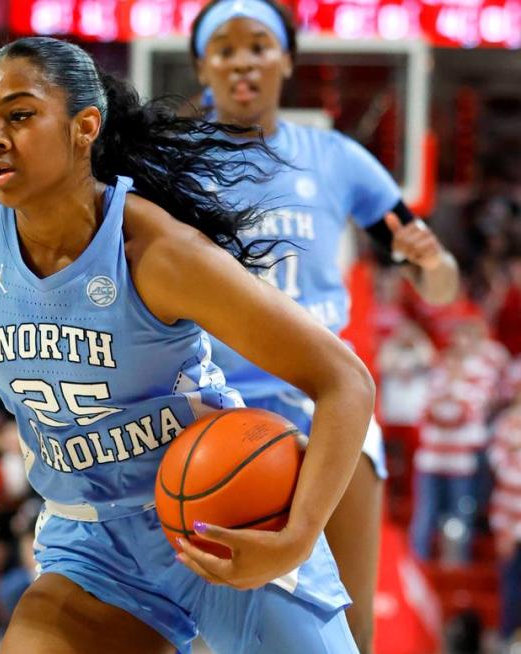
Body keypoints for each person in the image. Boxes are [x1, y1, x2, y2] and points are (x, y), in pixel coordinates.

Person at [0, 36, 374, 653]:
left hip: (225, 514)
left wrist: (296, 537)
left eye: (20, 115)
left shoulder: (159, 254)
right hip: (95, 550)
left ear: (85, 126)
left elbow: (345, 380)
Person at [187, 1, 460, 649]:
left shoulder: (334, 157)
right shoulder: (173, 164)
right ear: (202, 66)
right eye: (224, 49)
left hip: (322, 401)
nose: (243, 61)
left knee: (348, 622)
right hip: (210, 408)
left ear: (286, 59)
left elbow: (438, 280)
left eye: (259, 45)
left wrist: (433, 263)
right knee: (209, 622)